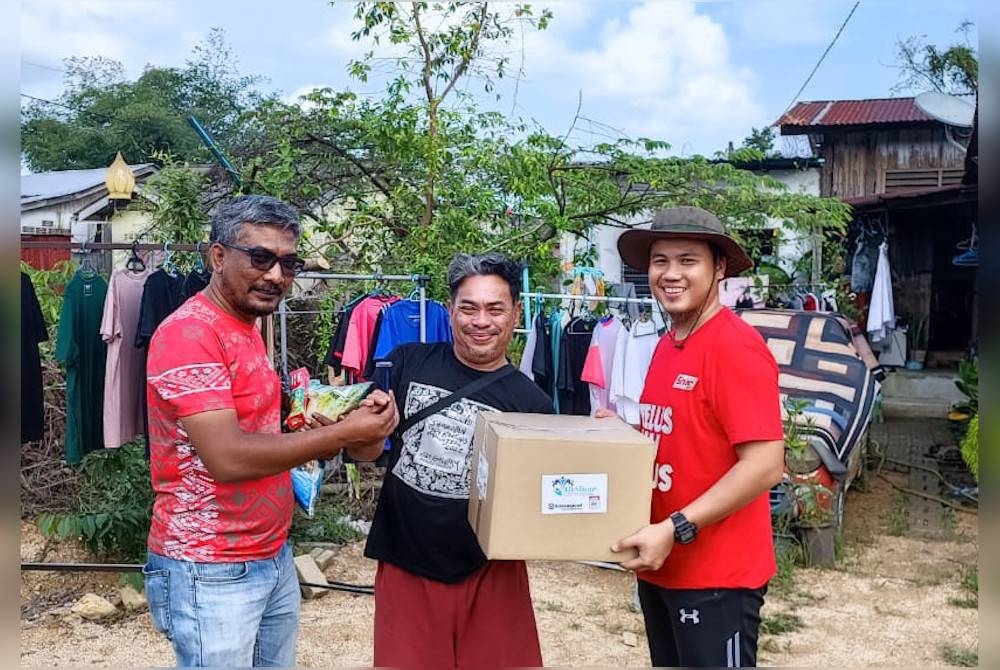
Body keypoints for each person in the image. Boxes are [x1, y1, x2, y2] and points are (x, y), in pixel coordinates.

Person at [142, 194, 399, 668]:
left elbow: (258, 431)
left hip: (269, 552)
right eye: (260, 258)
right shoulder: (191, 334)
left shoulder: (244, 326)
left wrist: (325, 418)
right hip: (210, 565)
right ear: (218, 257)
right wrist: (341, 435)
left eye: (288, 262)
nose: (277, 275)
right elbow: (227, 457)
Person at [609, 206, 785, 668]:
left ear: (719, 268)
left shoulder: (734, 347)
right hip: (663, 566)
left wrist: (676, 527)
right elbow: (683, 433)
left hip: (716, 579)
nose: (671, 274)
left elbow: (766, 464)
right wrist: (620, 436)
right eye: (660, 261)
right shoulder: (667, 344)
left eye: (688, 260)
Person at [364, 252, 553, 667]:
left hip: (491, 571)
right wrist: (366, 429)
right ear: (450, 310)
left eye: (495, 309)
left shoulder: (534, 405)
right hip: (406, 562)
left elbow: (543, 501)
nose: (480, 321)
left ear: (515, 314)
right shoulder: (407, 362)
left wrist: (601, 437)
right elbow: (365, 453)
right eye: (468, 308)